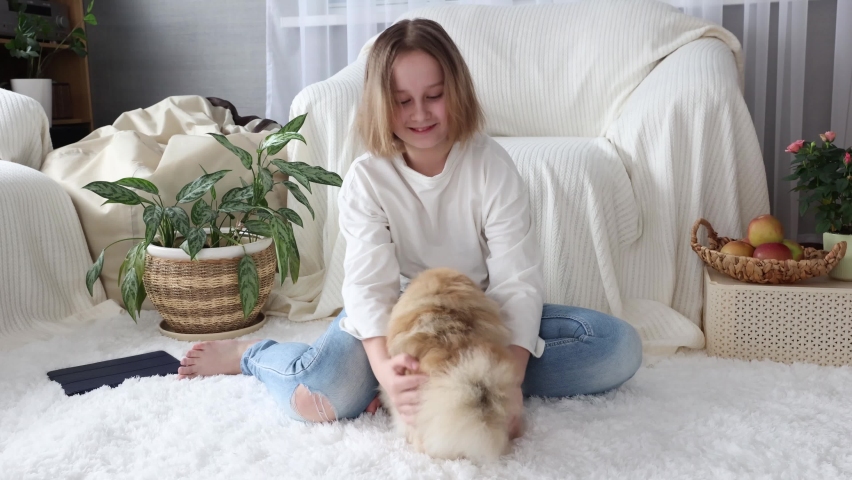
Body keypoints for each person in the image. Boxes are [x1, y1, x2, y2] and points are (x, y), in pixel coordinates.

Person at [177, 18, 643, 436]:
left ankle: (440, 382)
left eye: (434, 96)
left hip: (479, 317)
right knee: (319, 398)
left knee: (616, 348)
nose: (420, 114)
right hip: (397, 320)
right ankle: (252, 354)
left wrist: (510, 378)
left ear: (456, 92)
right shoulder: (368, 177)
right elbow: (369, 289)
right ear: (382, 105)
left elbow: (517, 282)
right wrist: (388, 372)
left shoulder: (492, 166)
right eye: (403, 101)